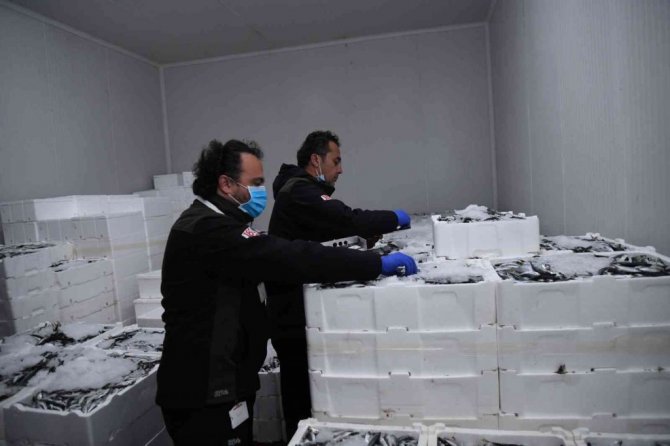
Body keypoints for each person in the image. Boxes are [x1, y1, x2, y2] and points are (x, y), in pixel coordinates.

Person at [156, 139, 417, 445]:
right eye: (255, 183)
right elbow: (290, 256)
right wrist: (375, 264)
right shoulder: (208, 230)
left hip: (226, 382)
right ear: (226, 184)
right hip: (204, 392)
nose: (261, 192)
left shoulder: (218, 225)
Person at [266, 130, 412, 438]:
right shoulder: (300, 191)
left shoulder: (300, 192)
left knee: (310, 389)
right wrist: (394, 218)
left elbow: (328, 235)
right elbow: (347, 218)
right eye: (336, 161)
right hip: (292, 313)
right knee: (301, 394)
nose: (341, 169)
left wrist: (362, 242)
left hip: (299, 308)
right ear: (316, 160)